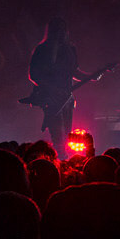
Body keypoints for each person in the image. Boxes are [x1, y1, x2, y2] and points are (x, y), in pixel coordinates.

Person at [25, 19, 82, 148]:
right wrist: (52, 89)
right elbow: (34, 75)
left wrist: (93, 75)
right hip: (51, 99)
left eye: (63, 30)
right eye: (58, 30)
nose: (61, 34)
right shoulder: (42, 50)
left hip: (67, 98)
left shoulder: (70, 49)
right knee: (58, 137)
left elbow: (74, 72)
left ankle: (64, 160)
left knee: (68, 137)